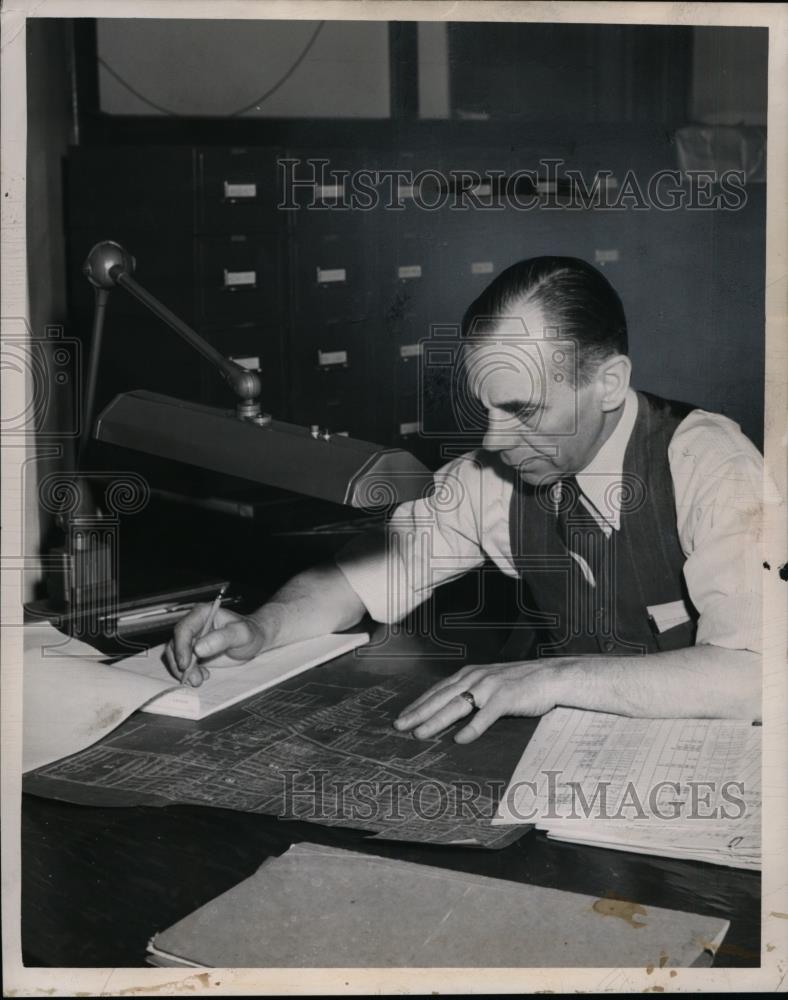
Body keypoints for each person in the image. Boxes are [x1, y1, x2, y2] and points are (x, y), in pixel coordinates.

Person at [166, 256, 766, 743]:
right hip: (574, 759)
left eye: (522, 409)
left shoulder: (708, 464)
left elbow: (756, 676)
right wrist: (261, 628)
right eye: (485, 407)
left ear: (607, 383)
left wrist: (553, 676)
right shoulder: (490, 478)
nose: (492, 440)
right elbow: (352, 583)